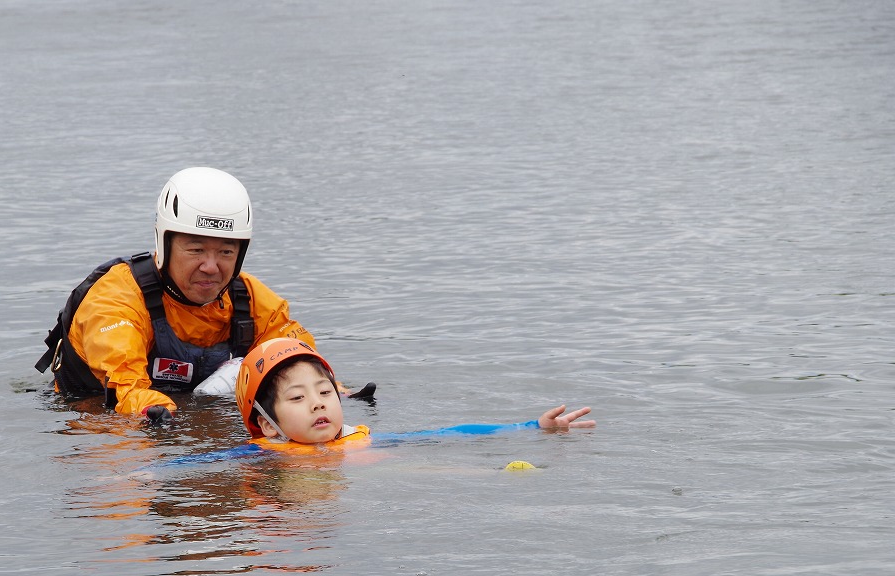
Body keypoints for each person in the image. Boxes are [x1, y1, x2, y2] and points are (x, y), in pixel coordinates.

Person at [36, 167, 317, 423]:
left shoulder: (251, 300)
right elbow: (126, 386)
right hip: (101, 415)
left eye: (226, 252)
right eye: (196, 250)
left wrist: (336, 395)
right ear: (165, 245)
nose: (210, 267)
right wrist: (158, 416)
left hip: (196, 413)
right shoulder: (116, 300)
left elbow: (296, 362)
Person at [235, 339, 595, 451]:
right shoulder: (259, 458)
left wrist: (531, 426)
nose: (317, 402)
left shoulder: (365, 443)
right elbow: (183, 468)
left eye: (326, 392)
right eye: (297, 398)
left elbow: (449, 434)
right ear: (267, 426)